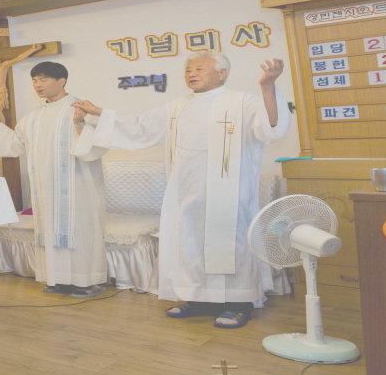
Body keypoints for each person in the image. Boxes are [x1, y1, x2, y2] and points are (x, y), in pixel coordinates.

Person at [72, 53, 290, 328]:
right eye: (188, 69)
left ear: (222, 74)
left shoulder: (241, 101)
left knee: (230, 244)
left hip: (228, 194)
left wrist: (267, 87)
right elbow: (139, 127)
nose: (191, 73)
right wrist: (98, 112)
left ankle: (238, 303)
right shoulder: (177, 106)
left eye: (199, 68)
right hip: (185, 191)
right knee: (189, 244)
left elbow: (272, 127)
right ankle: (198, 299)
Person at [0, 61, 110, 299]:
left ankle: (89, 280)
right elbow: (15, 145)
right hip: (45, 188)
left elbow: (98, 143)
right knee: (50, 229)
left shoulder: (82, 109)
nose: (38, 85)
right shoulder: (33, 118)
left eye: (44, 79)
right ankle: (58, 278)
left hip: (79, 184)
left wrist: (80, 123)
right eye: (35, 81)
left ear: (61, 81)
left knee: (81, 229)